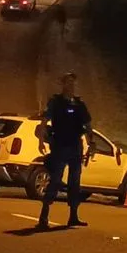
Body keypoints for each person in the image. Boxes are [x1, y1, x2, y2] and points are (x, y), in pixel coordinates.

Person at [37, 73, 94, 229]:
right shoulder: (56, 102)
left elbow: (88, 126)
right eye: (68, 82)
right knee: (55, 180)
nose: (71, 85)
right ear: (63, 84)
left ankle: (73, 216)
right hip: (60, 147)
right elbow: (44, 122)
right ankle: (44, 217)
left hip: (75, 147)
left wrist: (92, 143)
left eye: (73, 83)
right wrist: (41, 141)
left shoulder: (79, 104)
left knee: (75, 183)